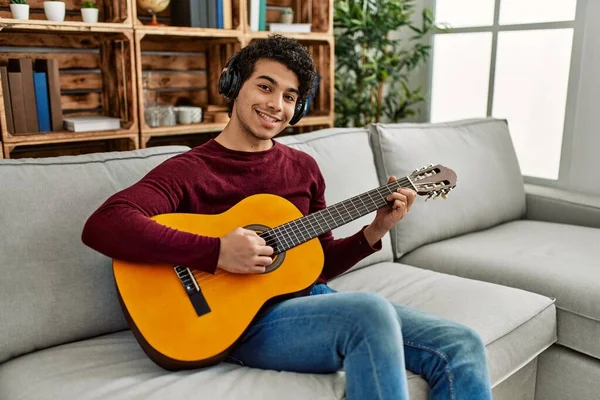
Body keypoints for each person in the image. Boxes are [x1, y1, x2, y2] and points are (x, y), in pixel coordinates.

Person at [82, 34, 493, 400]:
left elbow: (317, 265)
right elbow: (106, 223)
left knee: (462, 344)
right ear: (233, 85)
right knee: (370, 311)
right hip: (239, 324)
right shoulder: (191, 169)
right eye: (265, 86)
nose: (276, 105)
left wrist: (374, 229)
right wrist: (217, 251)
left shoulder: (303, 168)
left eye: (290, 97)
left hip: (309, 304)